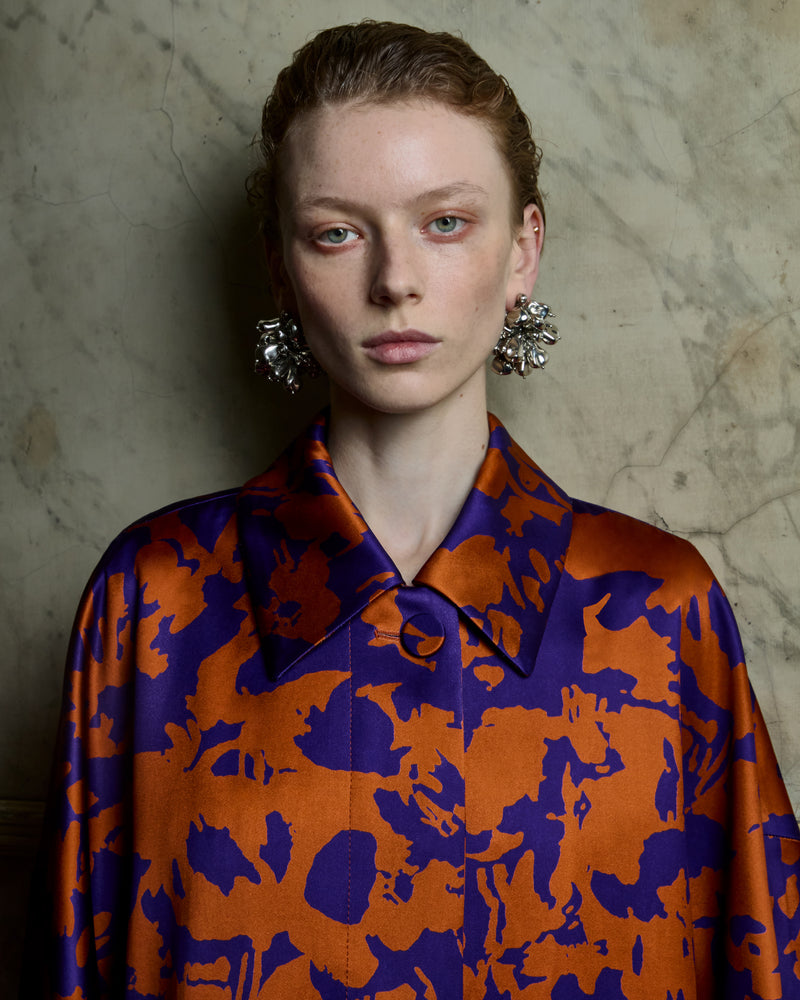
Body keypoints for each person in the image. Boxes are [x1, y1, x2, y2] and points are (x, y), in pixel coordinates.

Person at [30, 20, 800, 1000]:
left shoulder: (656, 611)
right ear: (280, 266)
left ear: (523, 249)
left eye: (444, 222)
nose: (393, 281)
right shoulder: (155, 598)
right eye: (336, 232)